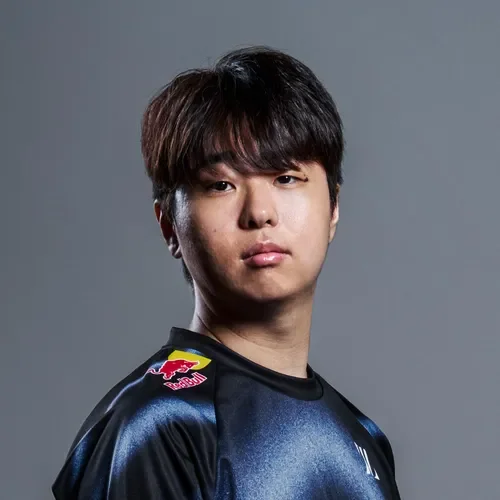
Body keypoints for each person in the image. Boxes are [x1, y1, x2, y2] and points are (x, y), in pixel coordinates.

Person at [52, 45, 402, 499]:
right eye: (221, 185)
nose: (259, 213)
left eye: (285, 178)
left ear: (333, 207)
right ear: (169, 225)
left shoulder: (363, 436)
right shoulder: (164, 423)